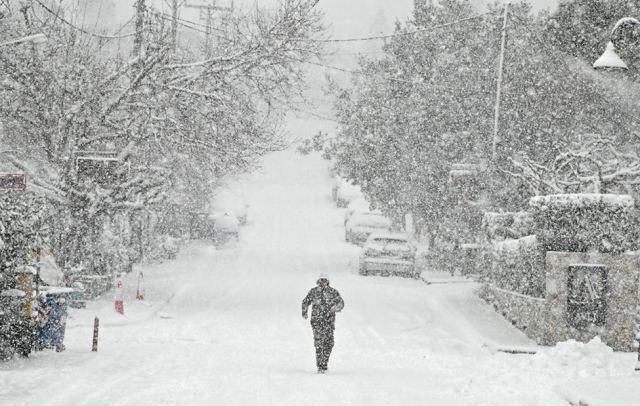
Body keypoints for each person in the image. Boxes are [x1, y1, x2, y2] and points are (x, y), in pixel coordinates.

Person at [301, 274, 344, 373]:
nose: (323, 282)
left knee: (329, 344)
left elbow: (341, 303)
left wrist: (336, 308)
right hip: (317, 322)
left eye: (325, 280)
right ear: (318, 281)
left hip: (329, 322)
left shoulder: (333, 292)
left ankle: (325, 363)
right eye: (322, 280)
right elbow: (305, 302)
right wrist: (304, 312)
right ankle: (320, 366)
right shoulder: (314, 292)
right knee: (319, 344)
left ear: (328, 281)